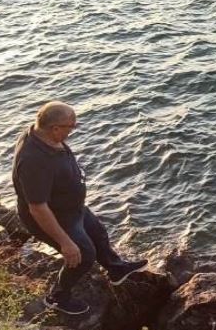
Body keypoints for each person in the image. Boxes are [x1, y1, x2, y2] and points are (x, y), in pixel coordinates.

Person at [12, 101, 148, 315]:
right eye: (71, 126)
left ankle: (116, 268)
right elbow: (38, 208)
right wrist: (65, 242)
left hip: (72, 207)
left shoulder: (43, 135)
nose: (73, 130)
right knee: (82, 255)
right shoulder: (34, 160)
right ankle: (57, 297)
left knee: (98, 233)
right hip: (55, 217)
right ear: (55, 128)